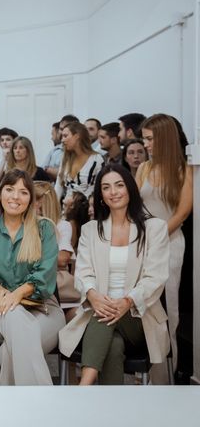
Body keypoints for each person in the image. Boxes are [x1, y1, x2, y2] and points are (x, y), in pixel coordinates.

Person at [59, 164, 170, 385]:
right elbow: (83, 272)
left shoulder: (155, 228)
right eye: (107, 187)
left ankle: (82, 389)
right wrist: (93, 296)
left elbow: (154, 278)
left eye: (119, 185)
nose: (114, 192)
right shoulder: (91, 230)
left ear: (130, 189)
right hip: (99, 309)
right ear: (101, 195)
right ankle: (112, 414)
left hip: (139, 315)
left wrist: (127, 301)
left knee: (104, 317)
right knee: (113, 343)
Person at [0, 170, 65, 385]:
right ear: (0, 194)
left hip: (44, 309)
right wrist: (2, 292)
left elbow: (44, 275)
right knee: (13, 315)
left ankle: (11, 410)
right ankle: (42, 405)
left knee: (8, 352)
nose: (15, 197)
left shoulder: (44, 229)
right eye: (10, 189)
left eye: (23, 192)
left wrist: (17, 294)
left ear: (31, 199)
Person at [137, 113, 192, 380]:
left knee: (169, 310)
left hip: (170, 245)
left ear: (164, 138)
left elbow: (182, 213)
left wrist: (157, 236)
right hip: (143, 245)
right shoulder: (144, 169)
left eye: (149, 139)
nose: (145, 145)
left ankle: (166, 378)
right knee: (145, 307)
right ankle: (146, 374)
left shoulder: (184, 169)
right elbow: (135, 207)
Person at [34, 181, 77, 304]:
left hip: (57, 284)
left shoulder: (62, 225)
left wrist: (30, 256)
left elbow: (62, 258)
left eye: (35, 200)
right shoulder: (23, 225)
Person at [55, 122, 104, 203]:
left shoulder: (97, 159)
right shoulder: (65, 158)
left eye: (65, 136)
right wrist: (53, 209)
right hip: (66, 209)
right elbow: (58, 186)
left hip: (87, 209)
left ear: (77, 136)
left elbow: (98, 189)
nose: (62, 140)